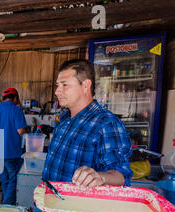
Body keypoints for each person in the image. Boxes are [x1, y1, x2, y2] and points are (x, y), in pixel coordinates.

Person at [42, 59, 133, 188]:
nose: (57, 91)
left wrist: (100, 177)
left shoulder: (106, 123)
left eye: (64, 85)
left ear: (85, 86)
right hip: (48, 202)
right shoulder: (64, 120)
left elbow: (122, 175)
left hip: (76, 207)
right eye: (58, 85)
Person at [0, 88, 27, 205]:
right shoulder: (16, 110)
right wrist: (26, 131)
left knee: (4, 180)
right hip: (13, 153)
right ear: (15, 98)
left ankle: (5, 204)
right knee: (13, 180)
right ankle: (7, 207)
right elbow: (21, 131)